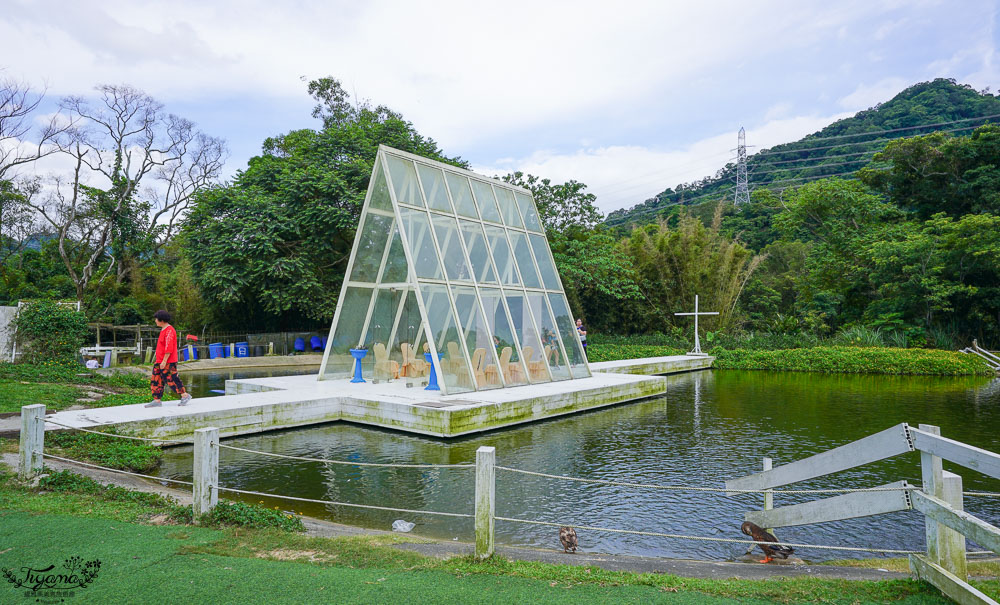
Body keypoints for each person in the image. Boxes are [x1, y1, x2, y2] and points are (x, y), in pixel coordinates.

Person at [145, 310, 192, 407]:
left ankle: (185, 395)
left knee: (172, 378)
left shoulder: (170, 330)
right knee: (156, 379)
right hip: (160, 360)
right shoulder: (163, 330)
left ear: (161, 320)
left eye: (156, 319)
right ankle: (157, 400)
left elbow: (169, 347)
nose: (155, 321)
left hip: (168, 361)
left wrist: (164, 361)